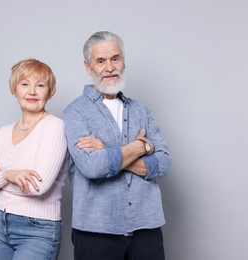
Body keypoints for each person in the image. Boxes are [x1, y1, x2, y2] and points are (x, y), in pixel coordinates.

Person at [63, 31, 172, 260]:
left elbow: (164, 164)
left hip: (146, 227)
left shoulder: (142, 110)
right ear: (88, 67)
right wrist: (142, 148)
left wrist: (108, 151)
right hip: (96, 230)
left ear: (123, 62)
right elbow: (93, 168)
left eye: (115, 58)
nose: (109, 67)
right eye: (100, 61)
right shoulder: (74, 112)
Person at [0, 58, 69, 260]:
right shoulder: (3, 132)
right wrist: (10, 175)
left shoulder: (54, 127)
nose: (32, 91)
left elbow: (38, 187)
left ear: (49, 92)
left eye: (40, 85)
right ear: (14, 89)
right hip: (0, 225)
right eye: (25, 84)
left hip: (38, 230)